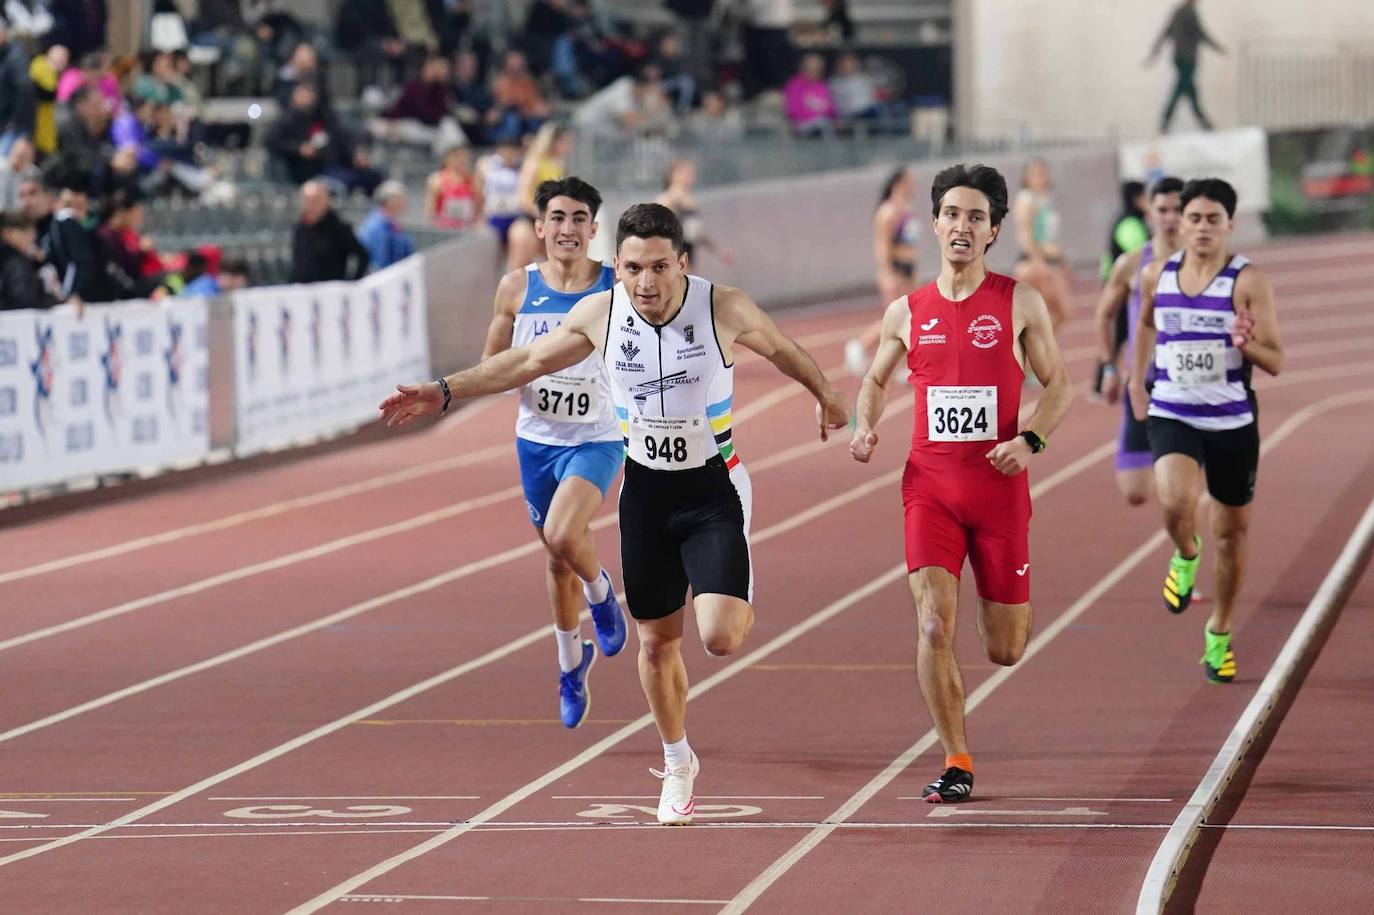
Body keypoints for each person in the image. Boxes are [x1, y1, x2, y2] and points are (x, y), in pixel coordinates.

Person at [379, 202, 849, 824]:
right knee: (656, 646)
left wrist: (825, 393)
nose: (646, 283)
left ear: (682, 262)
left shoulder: (723, 307)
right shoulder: (601, 314)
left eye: (659, 267)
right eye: (632, 269)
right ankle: (678, 760)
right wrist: (443, 391)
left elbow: (783, 348)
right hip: (646, 495)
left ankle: (731, 577)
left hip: (714, 489)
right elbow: (524, 362)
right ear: (618, 268)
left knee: (720, 636)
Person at [849, 163, 1073, 803]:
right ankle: (956, 760)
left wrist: (1029, 440)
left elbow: (1058, 385)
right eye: (952, 214)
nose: (962, 227)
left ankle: (997, 599)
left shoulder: (1018, 302)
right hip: (930, 488)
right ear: (936, 222)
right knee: (931, 627)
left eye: (976, 217)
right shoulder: (907, 310)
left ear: (994, 230)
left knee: (1004, 648)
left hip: (999, 490)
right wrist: (866, 427)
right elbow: (874, 381)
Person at [469, 176, 630, 730]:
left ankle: (604, 595)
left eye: (578, 218)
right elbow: (492, 364)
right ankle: (570, 663)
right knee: (556, 558)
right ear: (540, 228)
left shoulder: (617, 286)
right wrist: (456, 388)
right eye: (557, 218)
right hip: (537, 441)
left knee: (565, 536)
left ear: (593, 228)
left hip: (599, 437)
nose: (567, 228)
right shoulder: (516, 288)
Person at [1128, 178, 1283, 684]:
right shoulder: (1158, 274)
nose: (1199, 227)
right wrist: (1136, 378)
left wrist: (1246, 344)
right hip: (1173, 410)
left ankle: (1219, 630)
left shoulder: (1246, 281)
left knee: (1232, 532)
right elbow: (1147, 324)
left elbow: (1276, 359)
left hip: (1232, 420)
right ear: (1179, 222)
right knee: (1174, 503)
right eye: (1192, 218)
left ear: (1229, 226)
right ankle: (1185, 554)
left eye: (1212, 219)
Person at [1093, 176, 1184, 506]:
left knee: (1179, 494)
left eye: (1178, 209)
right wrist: (1108, 367)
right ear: (1150, 210)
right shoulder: (1132, 263)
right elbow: (1103, 315)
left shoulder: (1204, 261)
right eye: (1163, 209)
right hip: (1142, 382)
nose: (1171, 217)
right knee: (1135, 492)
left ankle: (1184, 549)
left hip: (1188, 385)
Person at [847, 166, 921, 377]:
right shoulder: (888, 212)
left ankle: (902, 366)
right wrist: (887, 273)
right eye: (909, 181)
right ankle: (860, 344)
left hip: (908, 270)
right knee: (895, 319)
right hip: (894, 268)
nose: (913, 186)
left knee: (910, 318)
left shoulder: (907, 209)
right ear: (899, 184)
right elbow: (882, 245)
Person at [1011, 158, 1073, 330]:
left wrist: (1061, 259)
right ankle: (1036, 353)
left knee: (1060, 314)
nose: (1041, 177)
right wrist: (1037, 261)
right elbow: (1024, 234)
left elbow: (1047, 237)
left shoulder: (1044, 199)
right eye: (1035, 174)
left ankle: (1040, 352)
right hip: (1035, 262)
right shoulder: (1026, 199)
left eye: (1043, 172)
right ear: (1026, 178)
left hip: (1049, 261)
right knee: (1048, 315)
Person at [1146, 0, 1224, 133]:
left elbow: (1166, 32)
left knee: (1188, 89)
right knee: (1181, 88)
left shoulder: (1178, 12)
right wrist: (1218, 48)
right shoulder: (1190, 12)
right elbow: (1200, 33)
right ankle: (1194, 121)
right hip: (1187, 57)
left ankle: (1202, 122)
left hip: (1179, 57)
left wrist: (1154, 53)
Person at [656, 158, 733, 267]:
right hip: (674, 253)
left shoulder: (688, 199)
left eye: (690, 173)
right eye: (685, 173)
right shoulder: (670, 197)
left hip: (688, 253)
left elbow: (697, 232)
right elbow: (655, 217)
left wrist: (719, 251)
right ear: (673, 175)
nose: (690, 176)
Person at [289, 180, 370, 283]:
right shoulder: (300, 227)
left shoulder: (339, 227)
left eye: (316, 200)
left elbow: (362, 255)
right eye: (307, 199)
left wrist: (352, 283)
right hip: (303, 291)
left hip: (330, 292)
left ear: (327, 201)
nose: (311, 204)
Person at [357, 180, 416, 270]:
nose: (404, 203)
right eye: (400, 199)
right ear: (390, 201)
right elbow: (379, 263)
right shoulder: (376, 226)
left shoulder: (393, 223)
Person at [425, 145, 482, 231]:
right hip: (444, 228)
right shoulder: (437, 179)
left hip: (466, 227)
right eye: (456, 156)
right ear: (446, 159)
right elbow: (430, 209)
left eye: (464, 156)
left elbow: (479, 205)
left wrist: (476, 224)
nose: (461, 160)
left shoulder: (473, 180)